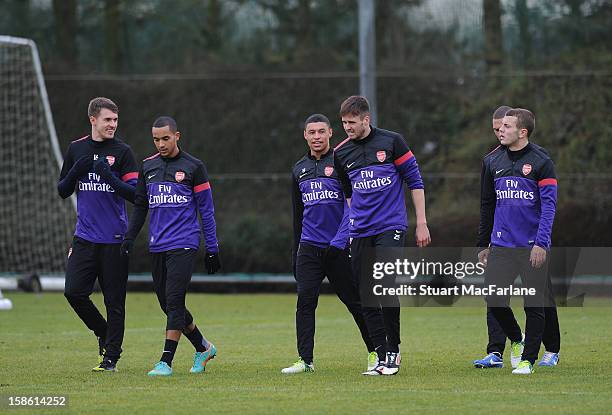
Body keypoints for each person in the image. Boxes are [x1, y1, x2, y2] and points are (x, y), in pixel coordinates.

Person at [333, 96, 431, 376]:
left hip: (391, 226)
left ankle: (394, 351)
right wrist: (354, 226)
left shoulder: (392, 142)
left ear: (366, 119)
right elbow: (348, 194)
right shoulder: (341, 153)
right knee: (365, 294)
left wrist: (421, 223)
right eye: (344, 123)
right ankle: (379, 354)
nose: (347, 128)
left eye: (352, 123)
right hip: (360, 230)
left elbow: (415, 180)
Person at [121, 116, 221, 377]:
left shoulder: (194, 167)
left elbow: (206, 211)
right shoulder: (148, 166)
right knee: (168, 305)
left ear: (177, 136)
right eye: (156, 139)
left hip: (185, 242)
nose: (161, 144)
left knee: (175, 300)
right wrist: (129, 237)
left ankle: (165, 361)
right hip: (158, 245)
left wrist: (212, 247)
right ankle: (203, 346)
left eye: (166, 138)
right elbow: (141, 205)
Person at [282, 114, 375, 374]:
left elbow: (352, 206)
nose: (316, 137)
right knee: (305, 302)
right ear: (305, 136)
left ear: (330, 133)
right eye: (311, 132)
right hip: (309, 248)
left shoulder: (342, 162)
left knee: (354, 302)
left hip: (338, 248)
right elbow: (297, 215)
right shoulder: (298, 168)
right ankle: (305, 360)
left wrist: (340, 241)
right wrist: (296, 251)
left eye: (321, 131)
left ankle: (375, 352)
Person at [474, 106, 561, 369]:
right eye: (499, 127)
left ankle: (528, 360)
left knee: (535, 303)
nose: (500, 130)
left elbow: (549, 206)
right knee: (494, 298)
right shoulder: (492, 162)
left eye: (506, 127)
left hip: (531, 246)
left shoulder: (542, 162)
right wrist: (483, 244)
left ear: (522, 132)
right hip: (501, 245)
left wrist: (541, 243)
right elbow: (487, 205)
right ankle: (516, 338)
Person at [57, 97, 138, 372]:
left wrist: (109, 178)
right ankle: (103, 333)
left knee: (114, 302)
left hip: (115, 240)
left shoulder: (123, 152)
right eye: (107, 120)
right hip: (84, 239)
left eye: (115, 120)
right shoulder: (76, 149)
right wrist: (77, 170)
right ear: (93, 119)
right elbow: (63, 190)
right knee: (74, 292)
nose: (112, 125)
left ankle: (111, 357)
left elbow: (136, 194)